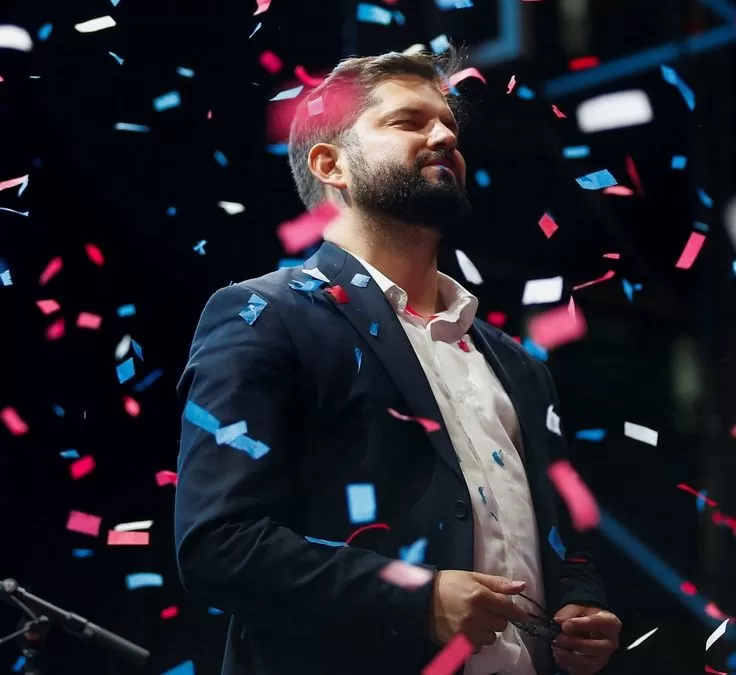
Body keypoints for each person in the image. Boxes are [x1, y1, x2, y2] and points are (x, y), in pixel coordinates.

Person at [173, 49, 621, 675]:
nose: (443, 136)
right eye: (408, 122)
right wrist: (417, 596)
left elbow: (566, 540)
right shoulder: (263, 315)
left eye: (448, 125)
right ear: (332, 165)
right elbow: (218, 547)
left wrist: (583, 606)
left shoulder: (518, 365)